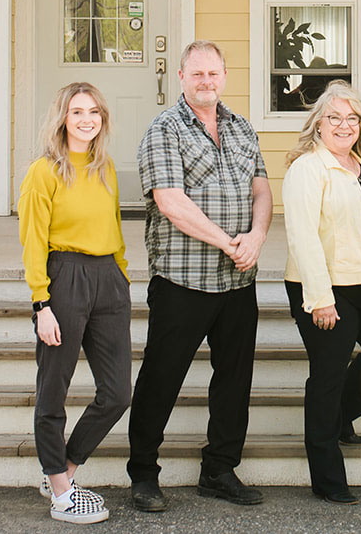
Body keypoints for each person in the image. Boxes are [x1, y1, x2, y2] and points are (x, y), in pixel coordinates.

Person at [126, 41, 272, 512]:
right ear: (182, 78)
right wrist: (228, 242)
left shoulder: (243, 128)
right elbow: (170, 202)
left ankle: (220, 469)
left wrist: (256, 237)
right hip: (183, 281)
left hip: (237, 283)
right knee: (161, 377)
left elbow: (262, 190)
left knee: (234, 379)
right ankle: (144, 474)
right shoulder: (163, 129)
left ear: (224, 75)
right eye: (197, 74)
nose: (206, 81)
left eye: (213, 73)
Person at [282, 81, 361, 504]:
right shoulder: (307, 168)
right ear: (318, 124)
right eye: (333, 117)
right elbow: (302, 236)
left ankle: (340, 417)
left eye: (351, 118)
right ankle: (327, 476)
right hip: (324, 286)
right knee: (328, 372)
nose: (343, 125)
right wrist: (320, 298)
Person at [18, 82, 131, 525]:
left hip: (109, 280)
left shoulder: (106, 168)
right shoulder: (44, 172)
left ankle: (63, 469)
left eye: (94, 112)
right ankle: (62, 491)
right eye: (77, 111)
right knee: (53, 389)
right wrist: (40, 303)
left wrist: (121, 274)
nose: (86, 119)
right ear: (62, 117)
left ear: (102, 118)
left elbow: (115, 224)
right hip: (64, 278)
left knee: (118, 392)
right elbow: (32, 241)